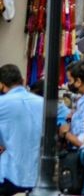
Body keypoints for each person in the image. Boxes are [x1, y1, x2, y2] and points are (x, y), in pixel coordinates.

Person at [0, 64, 43, 195]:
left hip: (10, 173)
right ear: (23, 81)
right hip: (38, 174)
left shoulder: (2, 103)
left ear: (1, 84)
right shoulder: (43, 103)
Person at [60, 59, 84, 150]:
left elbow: (83, 143)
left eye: (70, 80)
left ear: (79, 82)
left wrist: (65, 133)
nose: (68, 84)